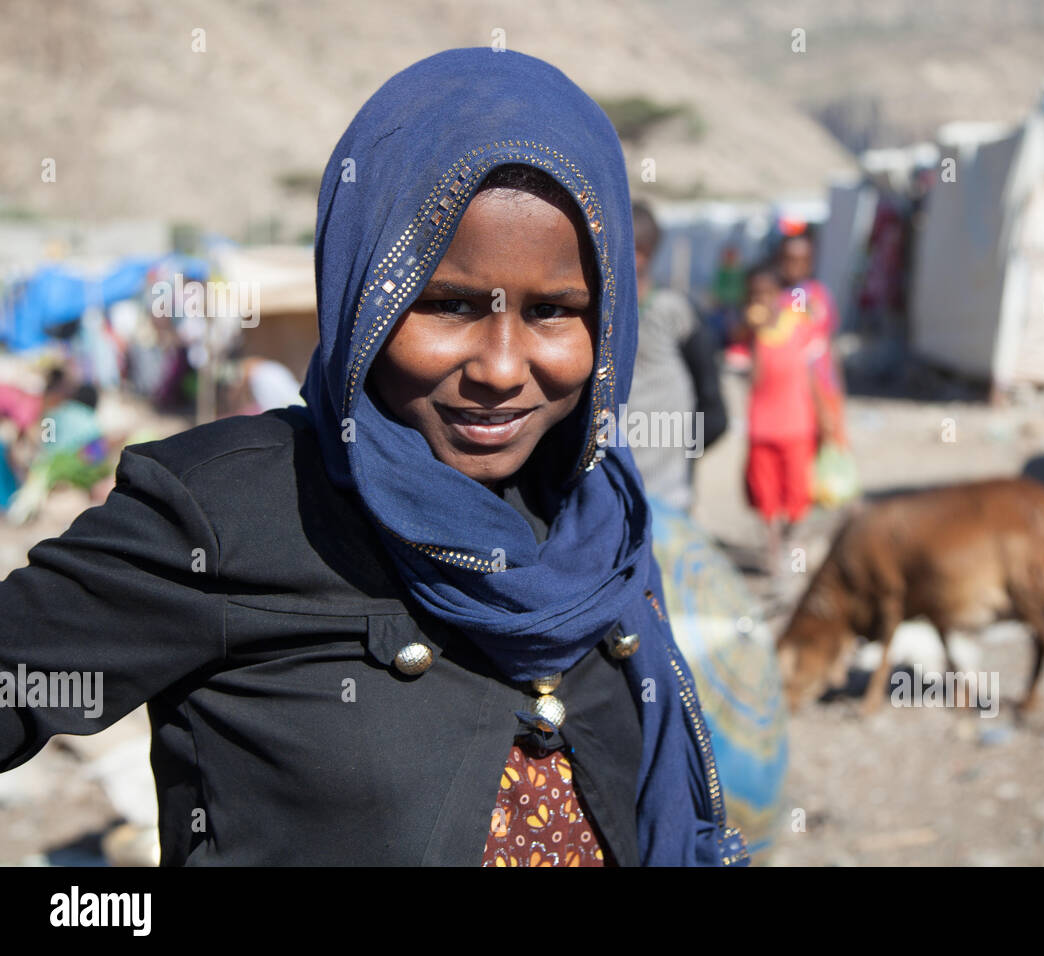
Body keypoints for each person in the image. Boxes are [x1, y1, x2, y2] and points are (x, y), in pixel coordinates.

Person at [0, 48, 746, 868]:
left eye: (554, 311)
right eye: (448, 304)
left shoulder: (601, 524)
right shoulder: (226, 513)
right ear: (364, 291)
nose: (501, 368)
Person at [624, 201, 726, 513]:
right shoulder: (594, 314)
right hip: (610, 493)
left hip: (665, 498)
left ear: (639, 254)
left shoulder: (674, 315)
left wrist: (674, 451)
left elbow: (715, 414)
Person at [738, 265, 829, 575]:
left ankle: (791, 548)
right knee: (766, 497)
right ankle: (774, 554)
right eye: (755, 294)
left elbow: (816, 374)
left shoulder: (799, 326)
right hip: (762, 426)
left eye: (766, 293)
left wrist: (826, 419)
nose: (761, 299)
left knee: (796, 495)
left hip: (797, 425)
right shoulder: (751, 333)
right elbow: (749, 373)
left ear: (778, 295)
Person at [776, 230, 847, 447]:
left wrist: (838, 391)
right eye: (790, 260)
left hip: (824, 386)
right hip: (791, 393)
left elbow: (829, 343)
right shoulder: (776, 299)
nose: (796, 266)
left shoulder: (820, 295)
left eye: (802, 260)